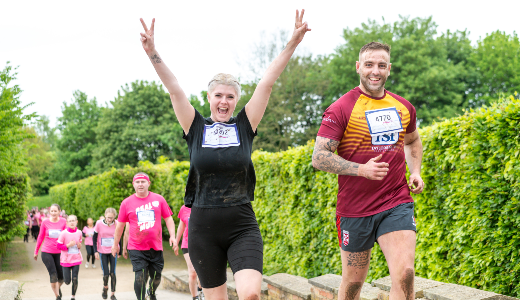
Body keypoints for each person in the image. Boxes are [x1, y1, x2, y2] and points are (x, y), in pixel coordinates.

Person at [137, 9, 310, 300]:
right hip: (203, 227)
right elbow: (175, 90)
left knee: (251, 294)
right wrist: (152, 52)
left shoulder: (244, 125)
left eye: (230, 96)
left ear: (236, 101)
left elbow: (266, 82)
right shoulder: (195, 127)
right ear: (209, 98)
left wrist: (293, 42)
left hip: (241, 223)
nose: (224, 101)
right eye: (218, 95)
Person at [311, 42, 425, 300]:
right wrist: (361, 169)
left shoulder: (403, 106)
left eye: (381, 66)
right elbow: (319, 157)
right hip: (355, 210)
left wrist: (415, 170)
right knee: (352, 285)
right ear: (358, 67)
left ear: (389, 69)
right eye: (370, 65)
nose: (375, 71)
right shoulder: (341, 108)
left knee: (405, 273)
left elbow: (412, 140)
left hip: (396, 201)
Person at [111, 173, 176, 300]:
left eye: (143, 181)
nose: (140, 184)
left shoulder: (159, 199)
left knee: (156, 277)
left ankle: (151, 293)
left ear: (148, 183)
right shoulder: (126, 203)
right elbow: (120, 227)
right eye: (138, 182)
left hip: (156, 247)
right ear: (133, 184)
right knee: (139, 277)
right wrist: (115, 245)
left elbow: (168, 219)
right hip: (136, 247)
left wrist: (172, 236)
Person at [34, 204, 67, 300]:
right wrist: (36, 251)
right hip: (47, 252)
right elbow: (40, 237)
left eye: (55, 211)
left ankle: (57, 289)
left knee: (62, 277)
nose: (53, 213)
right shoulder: (45, 222)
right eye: (51, 211)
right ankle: (57, 296)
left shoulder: (63, 221)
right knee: (53, 274)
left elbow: (67, 236)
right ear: (49, 212)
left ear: (59, 211)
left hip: (60, 252)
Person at [174, 205, 203, 300]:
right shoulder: (184, 208)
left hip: (203, 244)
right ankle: (195, 297)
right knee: (193, 271)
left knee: (202, 270)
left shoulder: (204, 204)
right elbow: (181, 226)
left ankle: (200, 291)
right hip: (187, 243)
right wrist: (176, 242)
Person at [94, 208, 122, 300]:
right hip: (102, 251)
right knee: (106, 274)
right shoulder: (99, 223)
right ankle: (105, 288)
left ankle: (112, 294)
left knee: (113, 273)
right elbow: (94, 238)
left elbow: (119, 237)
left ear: (114, 217)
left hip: (113, 250)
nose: (109, 219)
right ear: (105, 215)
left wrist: (120, 251)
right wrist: (95, 251)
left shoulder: (117, 223)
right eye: (108, 217)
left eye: (112, 218)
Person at [57, 215, 83, 300]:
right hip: (66, 260)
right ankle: (58, 287)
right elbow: (58, 246)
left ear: (76, 222)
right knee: (67, 281)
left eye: (73, 220)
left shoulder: (79, 232)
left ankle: (73, 296)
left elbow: (79, 244)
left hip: (76, 258)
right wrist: (68, 245)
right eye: (70, 221)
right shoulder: (63, 233)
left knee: (75, 278)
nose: (72, 222)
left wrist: (79, 245)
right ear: (67, 223)